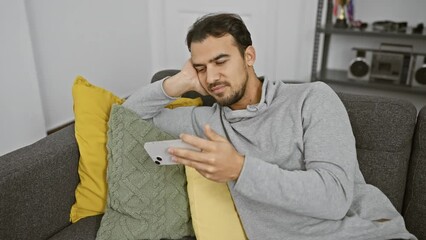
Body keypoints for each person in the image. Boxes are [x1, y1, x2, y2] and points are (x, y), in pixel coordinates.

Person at [123, 13, 416, 240]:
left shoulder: (311, 99)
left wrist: (240, 169)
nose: (211, 77)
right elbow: (128, 118)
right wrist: (180, 82)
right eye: (201, 67)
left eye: (220, 61)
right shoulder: (207, 122)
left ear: (248, 56)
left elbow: (335, 198)